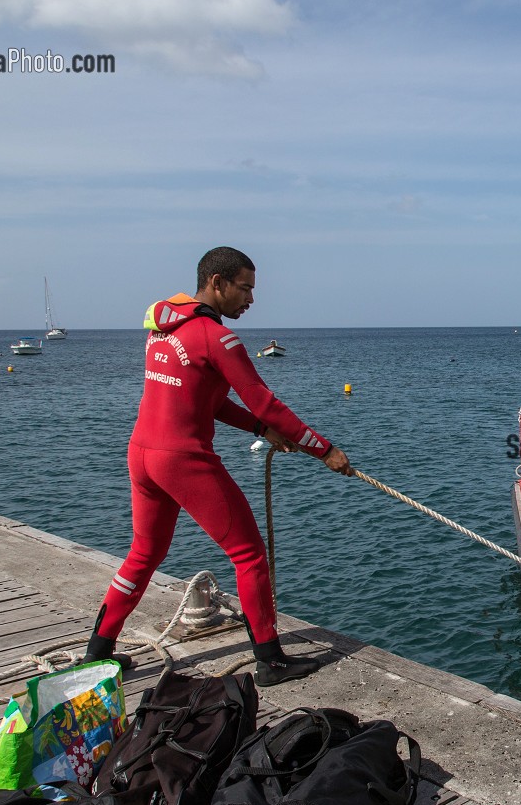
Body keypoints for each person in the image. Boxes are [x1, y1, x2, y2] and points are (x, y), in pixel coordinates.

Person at [84, 246, 353, 686]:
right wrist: (323, 450)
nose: (251, 298)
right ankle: (271, 660)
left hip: (143, 454)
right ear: (217, 283)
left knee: (143, 554)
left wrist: (260, 430)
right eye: (244, 288)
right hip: (182, 459)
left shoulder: (163, 330)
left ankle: (97, 653)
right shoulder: (217, 337)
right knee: (248, 555)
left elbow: (203, 399)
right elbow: (265, 402)